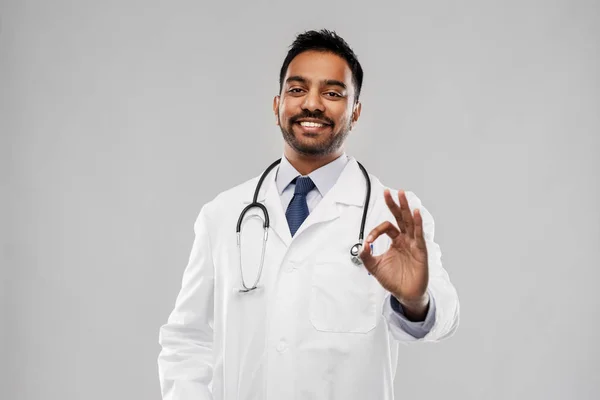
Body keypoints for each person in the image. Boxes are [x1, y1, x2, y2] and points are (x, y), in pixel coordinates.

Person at [157, 29, 460, 400]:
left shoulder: (394, 214)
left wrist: (415, 301)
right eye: (297, 90)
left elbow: (444, 316)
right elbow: (187, 339)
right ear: (277, 105)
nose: (312, 104)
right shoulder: (222, 215)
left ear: (356, 112)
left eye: (333, 93)